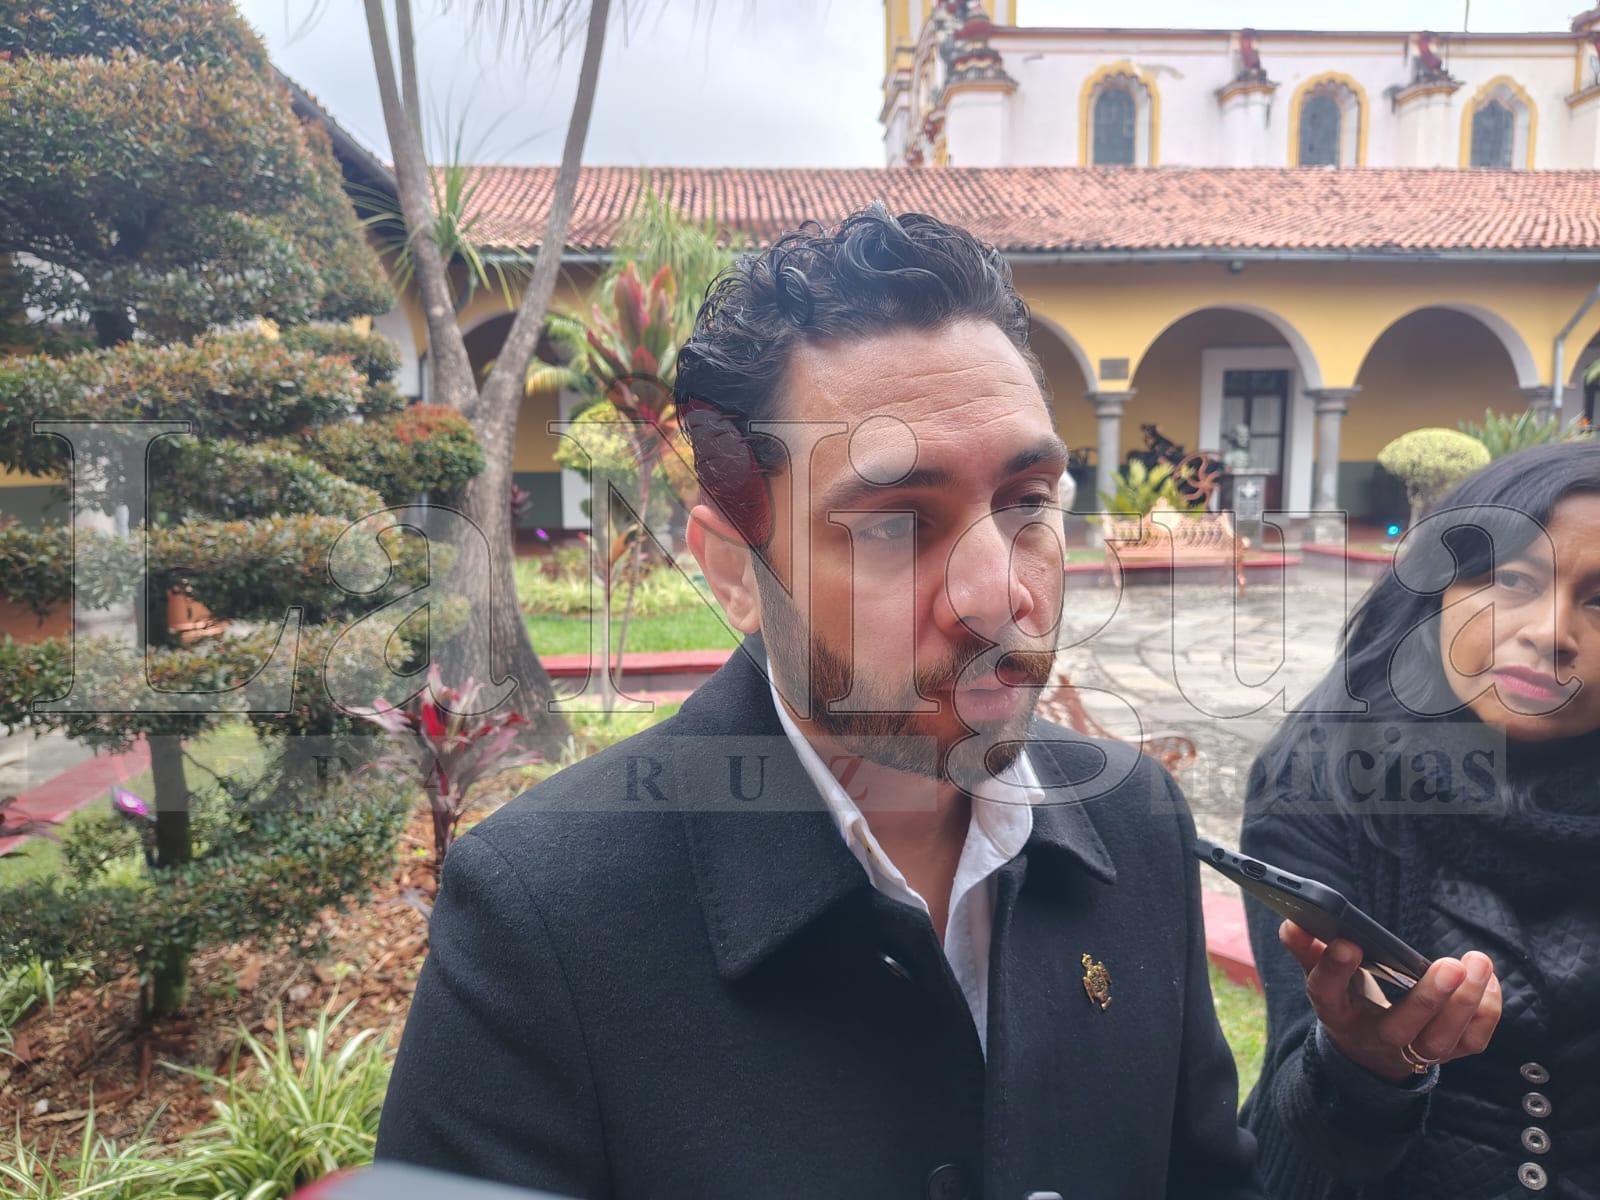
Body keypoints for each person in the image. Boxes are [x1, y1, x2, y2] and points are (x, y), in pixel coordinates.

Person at [375, 205, 1262, 1199]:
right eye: (892, 525)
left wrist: (1358, 1086)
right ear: (736, 573)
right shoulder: (546, 918)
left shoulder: (1133, 819)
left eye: (1026, 502)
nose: (998, 594)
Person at [1241, 438, 1600, 1198]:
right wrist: (1362, 1062)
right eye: (1511, 580)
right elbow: (1309, 1120)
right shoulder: (1321, 778)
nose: (1552, 632)